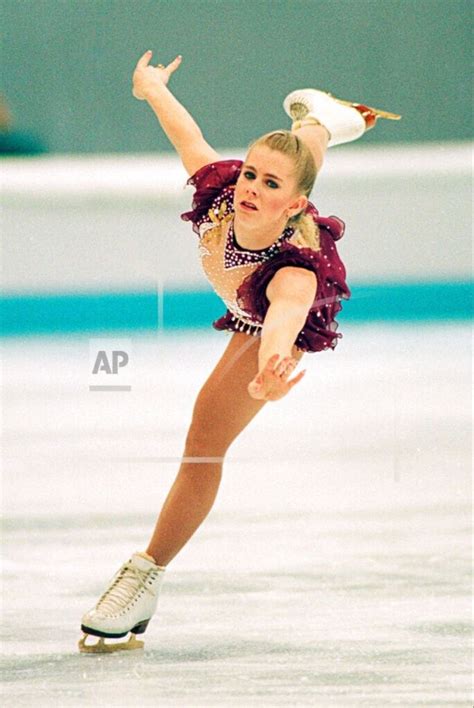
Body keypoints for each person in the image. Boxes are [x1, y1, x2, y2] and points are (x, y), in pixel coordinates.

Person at [78, 50, 401, 653]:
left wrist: (272, 370)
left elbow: (280, 322)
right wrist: (151, 89)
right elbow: (189, 135)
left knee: (203, 444)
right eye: (251, 173)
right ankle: (320, 121)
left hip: (274, 320)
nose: (251, 187)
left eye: (268, 184)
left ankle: (144, 577)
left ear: (296, 206)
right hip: (262, 286)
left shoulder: (295, 274)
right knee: (296, 147)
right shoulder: (228, 191)